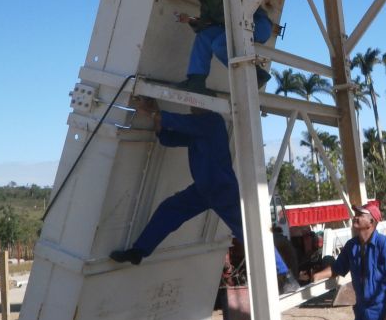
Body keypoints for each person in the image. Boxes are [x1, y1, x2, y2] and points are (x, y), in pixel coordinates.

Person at [109, 98, 299, 292]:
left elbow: (176, 122)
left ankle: (285, 276)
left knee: (250, 234)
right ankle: (138, 251)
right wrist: (157, 115)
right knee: (169, 209)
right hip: (203, 189)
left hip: (222, 189)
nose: (191, 106)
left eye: (194, 104)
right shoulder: (199, 128)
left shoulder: (211, 121)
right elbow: (168, 138)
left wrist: (153, 112)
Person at [304, 202, 386, 320]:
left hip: (384, 312)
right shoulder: (351, 246)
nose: (355, 217)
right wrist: (317, 276)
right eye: (355, 214)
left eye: (360, 215)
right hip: (363, 316)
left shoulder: (384, 245)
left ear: (371, 222)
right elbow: (338, 268)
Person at [174, 0, 272, 93]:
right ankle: (196, 81)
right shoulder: (205, 4)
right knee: (204, 37)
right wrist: (190, 20)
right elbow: (205, 26)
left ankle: (256, 75)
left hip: (258, 24)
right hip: (235, 29)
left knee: (219, 45)